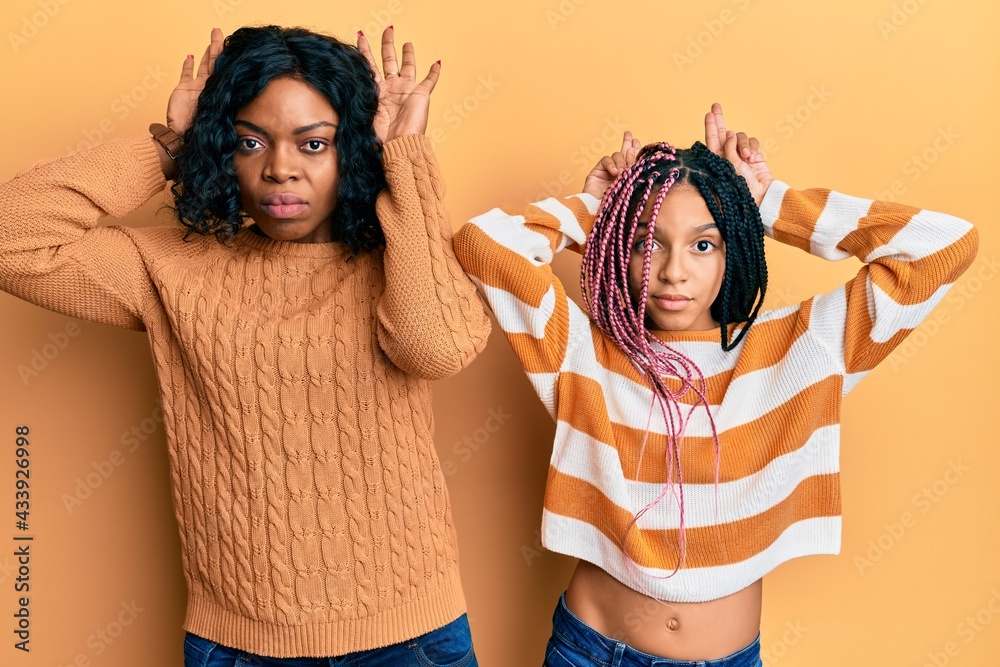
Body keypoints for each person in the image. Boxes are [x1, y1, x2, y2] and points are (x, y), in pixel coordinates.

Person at [0, 24, 490, 666]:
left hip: (412, 637)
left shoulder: (400, 260)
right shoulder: (172, 269)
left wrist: (405, 159)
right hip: (239, 645)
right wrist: (174, 148)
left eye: (314, 144)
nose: (280, 168)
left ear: (355, 150)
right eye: (249, 141)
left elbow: (437, 349)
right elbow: (14, 236)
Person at [453, 104, 978, 666]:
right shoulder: (581, 354)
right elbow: (484, 245)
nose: (673, 270)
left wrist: (769, 203)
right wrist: (597, 214)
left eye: (703, 244)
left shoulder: (801, 350)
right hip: (590, 651)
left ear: (735, 250)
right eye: (647, 243)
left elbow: (943, 246)